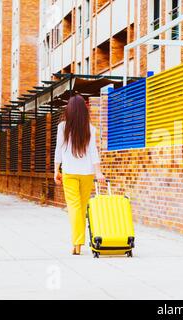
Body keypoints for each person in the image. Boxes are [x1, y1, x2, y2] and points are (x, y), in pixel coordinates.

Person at [54, 94, 106, 255]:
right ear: (84, 110)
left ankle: (77, 243)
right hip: (87, 173)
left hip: (69, 172)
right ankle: (77, 243)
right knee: (81, 207)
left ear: (69, 110)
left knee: (74, 207)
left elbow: (59, 150)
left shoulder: (63, 127)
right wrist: (98, 172)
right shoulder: (90, 128)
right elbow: (93, 152)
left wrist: (56, 170)